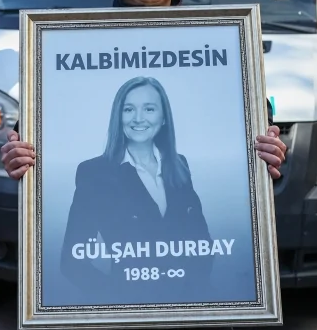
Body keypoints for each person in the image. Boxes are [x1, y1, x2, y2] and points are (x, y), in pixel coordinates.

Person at [0, 0, 287, 182]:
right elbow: (33, 133)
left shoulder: (222, 43)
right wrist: (18, 155)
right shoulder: (71, 45)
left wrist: (267, 150)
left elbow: (252, 121)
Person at [59, 76, 213, 304]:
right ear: (117, 117)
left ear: (163, 119)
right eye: (128, 109)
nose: (138, 119)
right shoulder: (95, 173)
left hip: (187, 309)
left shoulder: (179, 165)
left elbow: (203, 245)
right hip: (129, 313)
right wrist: (121, 300)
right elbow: (72, 263)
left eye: (149, 109)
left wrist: (190, 297)